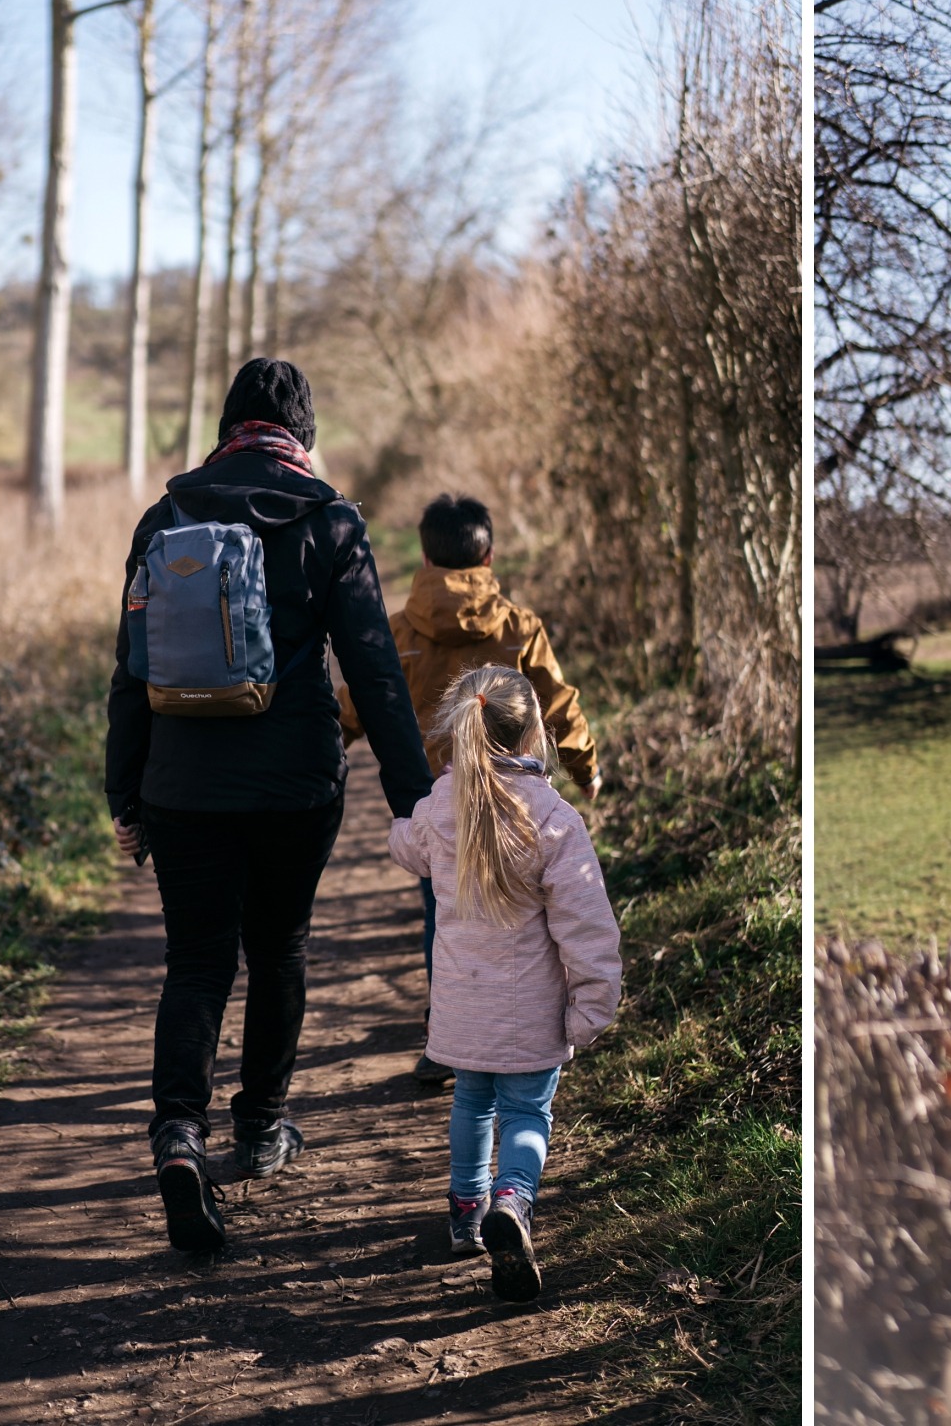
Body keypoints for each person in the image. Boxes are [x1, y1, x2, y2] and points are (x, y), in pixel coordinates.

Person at [105, 358, 433, 1254]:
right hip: (295, 784)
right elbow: (377, 672)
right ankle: (261, 1127)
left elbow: (131, 672)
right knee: (279, 947)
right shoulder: (328, 521)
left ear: (227, 425)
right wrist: (415, 805)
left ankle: (178, 1135)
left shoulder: (166, 517)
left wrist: (124, 791)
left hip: (182, 786)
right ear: (303, 433)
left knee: (197, 963)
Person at [337, 493, 601, 1086]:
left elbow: (354, 706)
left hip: (437, 803)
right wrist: (587, 769)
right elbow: (557, 704)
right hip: (518, 803)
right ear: (489, 556)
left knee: (447, 916)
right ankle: (514, 1030)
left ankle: (448, 1036)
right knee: (526, 919)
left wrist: (315, 754)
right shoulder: (517, 629)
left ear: (426, 560)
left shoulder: (399, 631)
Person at [386, 664, 622, 1302]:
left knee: (471, 1103)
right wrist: (592, 1006)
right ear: (532, 734)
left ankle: (466, 1214)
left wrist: (405, 826)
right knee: (527, 1111)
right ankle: (512, 1204)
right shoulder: (553, 819)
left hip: (460, 1010)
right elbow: (587, 926)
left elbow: (405, 845)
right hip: (532, 1014)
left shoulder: (441, 808)